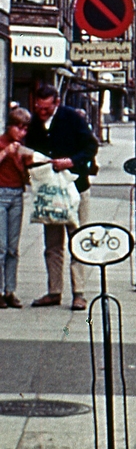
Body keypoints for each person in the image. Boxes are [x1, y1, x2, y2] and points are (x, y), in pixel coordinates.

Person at [25, 86, 99, 310]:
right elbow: (31, 148)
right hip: (50, 190)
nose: (42, 112)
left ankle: (79, 293)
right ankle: (54, 290)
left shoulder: (72, 118)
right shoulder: (35, 123)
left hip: (75, 187)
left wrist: (70, 161)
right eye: (38, 108)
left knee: (77, 238)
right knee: (53, 243)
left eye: (46, 108)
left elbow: (90, 146)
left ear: (56, 103)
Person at [0, 107, 35, 309]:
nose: (22, 133)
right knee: (1, 247)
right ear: (10, 127)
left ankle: (10, 290)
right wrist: (6, 152)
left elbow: (26, 174)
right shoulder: (2, 143)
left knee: (13, 247)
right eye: (19, 128)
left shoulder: (21, 147)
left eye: (25, 129)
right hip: (1, 193)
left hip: (16, 194)